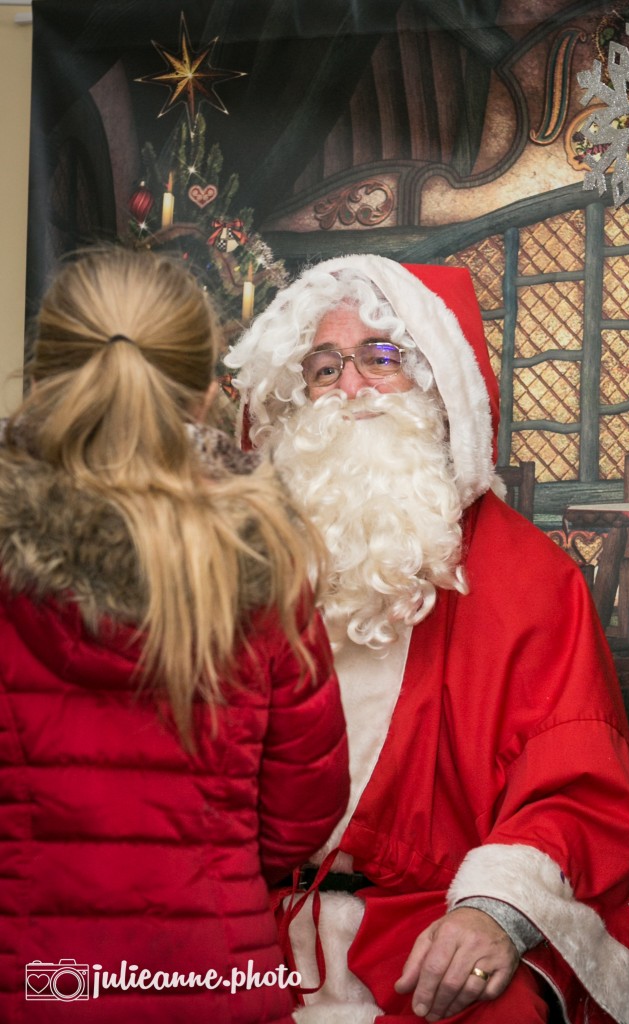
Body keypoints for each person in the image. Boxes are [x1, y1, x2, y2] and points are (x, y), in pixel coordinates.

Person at [226, 255, 629, 1024]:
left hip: (425, 928)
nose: (352, 389)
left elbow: (575, 788)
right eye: (324, 369)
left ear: (435, 383)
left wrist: (491, 912)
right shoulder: (246, 570)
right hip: (251, 929)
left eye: (380, 358)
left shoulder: (529, 579)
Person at [0, 247, 350, 1023]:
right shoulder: (265, 558)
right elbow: (303, 811)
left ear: (40, 378)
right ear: (203, 393)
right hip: (213, 980)